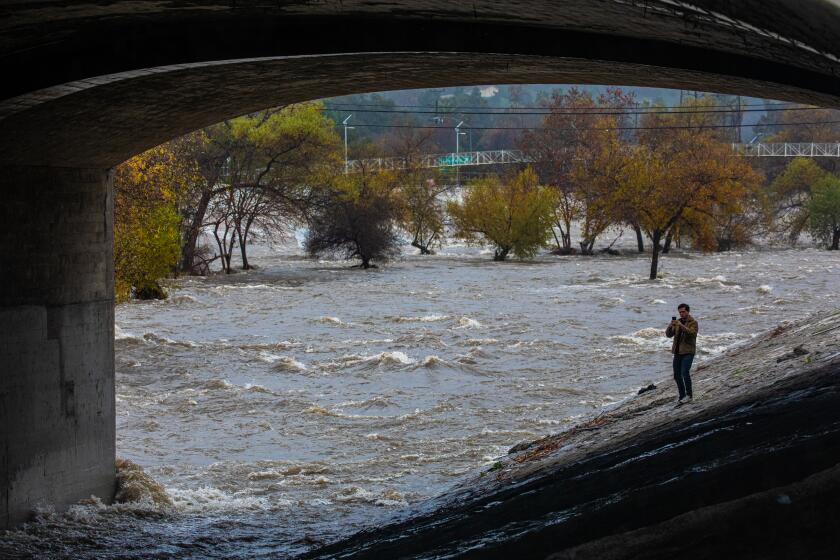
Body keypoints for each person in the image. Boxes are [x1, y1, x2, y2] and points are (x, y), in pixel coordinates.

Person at [666, 303, 698, 405]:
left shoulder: (693, 322)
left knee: (685, 372)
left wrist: (681, 325)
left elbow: (691, 333)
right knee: (676, 375)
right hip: (678, 352)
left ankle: (689, 395)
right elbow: (668, 335)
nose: (681, 314)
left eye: (683, 312)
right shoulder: (678, 322)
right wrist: (670, 326)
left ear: (688, 311)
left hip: (688, 351)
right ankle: (682, 396)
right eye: (680, 312)